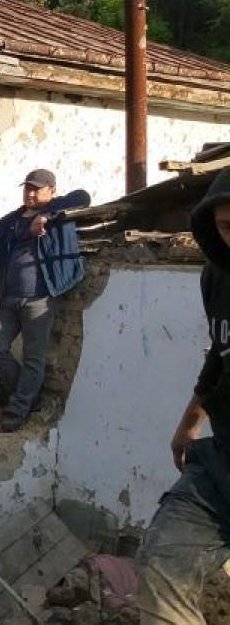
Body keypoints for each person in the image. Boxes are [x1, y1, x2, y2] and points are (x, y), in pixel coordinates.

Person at [136, 168, 230, 624]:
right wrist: (188, 420)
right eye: (228, 228)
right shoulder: (217, 277)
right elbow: (220, 349)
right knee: (162, 566)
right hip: (221, 466)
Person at [0, 169, 90, 432]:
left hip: (40, 298)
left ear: (51, 191)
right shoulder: (9, 221)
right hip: (8, 298)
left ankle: (17, 410)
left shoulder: (59, 214)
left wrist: (47, 214)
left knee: (34, 357)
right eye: (27, 188)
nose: (30, 193)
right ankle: (29, 398)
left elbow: (83, 196)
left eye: (37, 189)